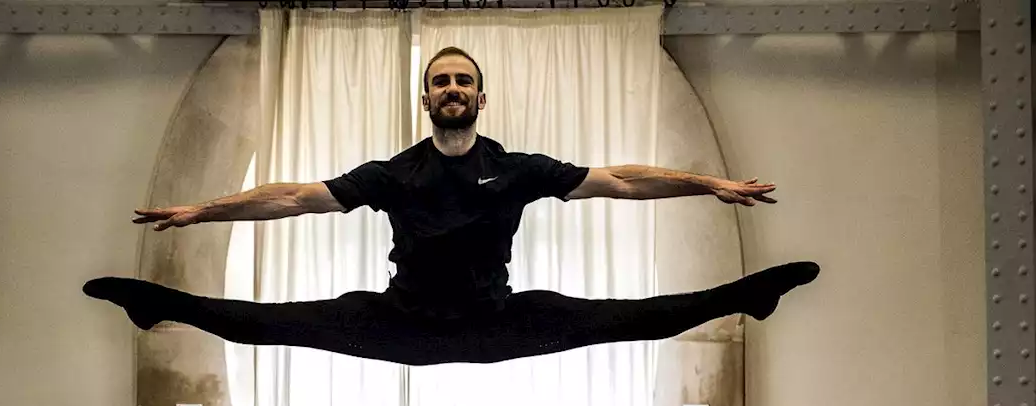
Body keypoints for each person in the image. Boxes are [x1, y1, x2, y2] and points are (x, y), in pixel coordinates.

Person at [84, 46, 819, 366]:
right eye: (441, 81)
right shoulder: (395, 174)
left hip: (497, 324)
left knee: (625, 319)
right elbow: (293, 197)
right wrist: (200, 212)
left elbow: (622, 182)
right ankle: (156, 304)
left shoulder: (518, 168)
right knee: (272, 324)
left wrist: (707, 184)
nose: (452, 89)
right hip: (401, 324)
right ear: (427, 98)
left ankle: (747, 299)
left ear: (480, 97)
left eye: (463, 80)